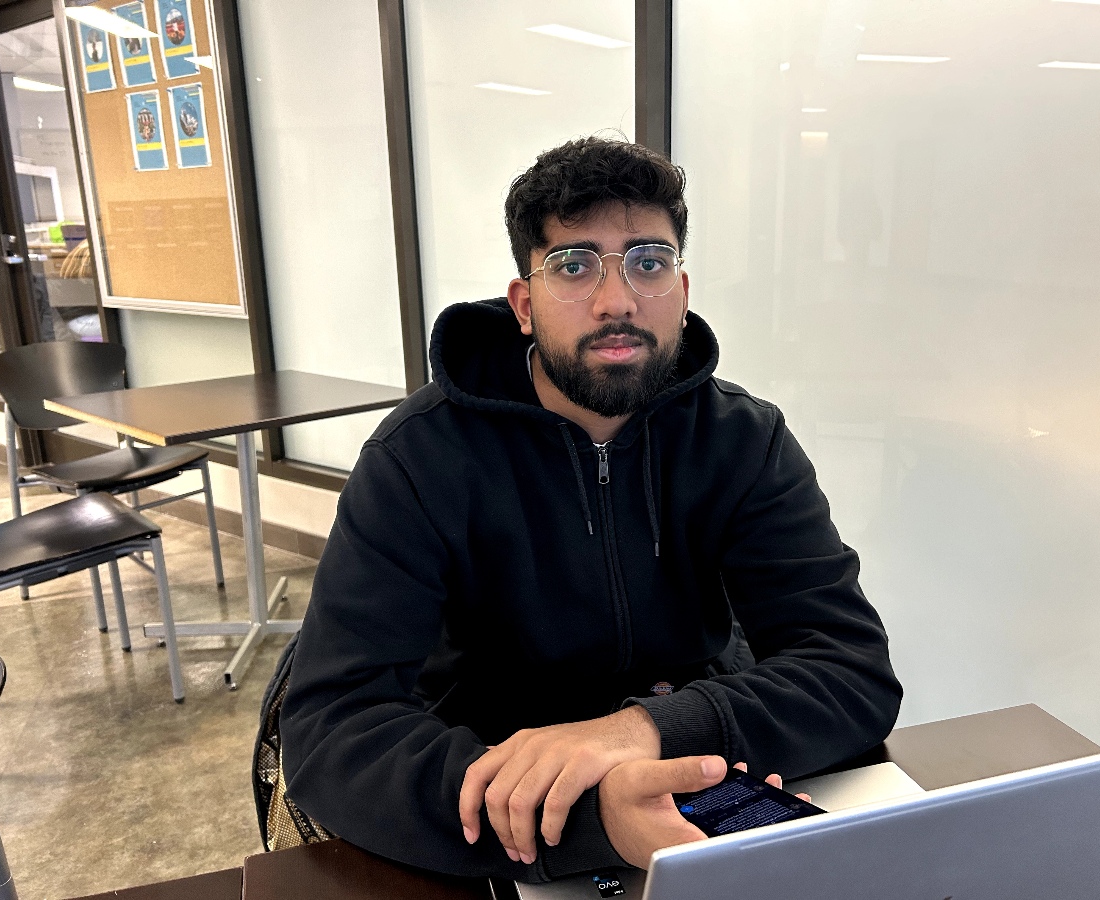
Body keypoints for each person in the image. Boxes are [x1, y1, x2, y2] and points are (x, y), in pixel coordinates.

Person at [279, 136, 901, 882]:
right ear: (524, 305)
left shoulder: (743, 439)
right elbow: (330, 729)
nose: (617, 301)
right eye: (573, 266)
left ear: (682, 289)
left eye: (649, 262)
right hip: (491, 809)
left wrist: (644, 733)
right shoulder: (417, 459)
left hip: (695, 774)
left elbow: (851, 668)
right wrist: (590, 818)